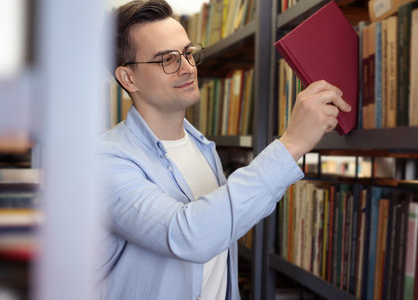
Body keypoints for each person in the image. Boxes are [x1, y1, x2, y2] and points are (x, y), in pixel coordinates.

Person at [97, 0, 351, 299]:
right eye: (167, 59)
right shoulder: (104, 160)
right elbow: (187, 236)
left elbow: (223, 235)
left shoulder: (203, 148)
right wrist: (291, 144)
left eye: (188, 53)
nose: (187, 68)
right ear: (128, 77)